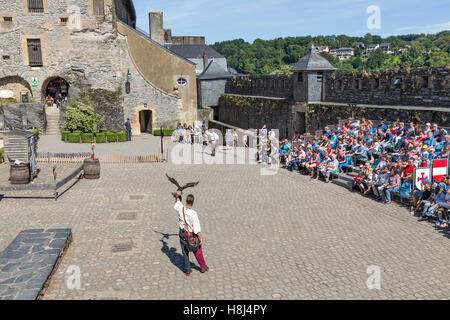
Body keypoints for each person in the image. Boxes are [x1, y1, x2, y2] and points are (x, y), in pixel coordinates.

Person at [173, 194, 209, 276]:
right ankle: (203, 266)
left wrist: (177, 197)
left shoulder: (181, 208)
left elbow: (177, 203)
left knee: (185, 251)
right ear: (193, 202)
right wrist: (200, 238)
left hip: (182, 233)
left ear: (186, 201)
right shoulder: (193, 213)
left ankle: (187, 270)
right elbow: (196, 229)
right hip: (190, 235)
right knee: (197, 249)